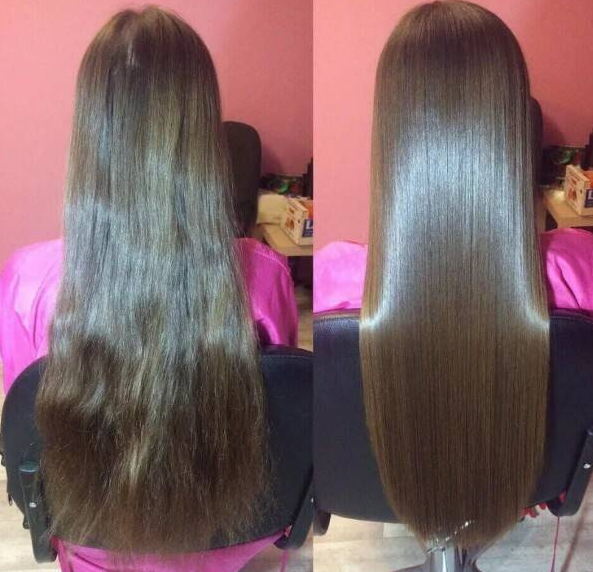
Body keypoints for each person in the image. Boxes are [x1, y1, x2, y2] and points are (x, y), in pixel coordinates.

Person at [0, 7, 298, 571]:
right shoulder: (264, 277)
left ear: (91, 130)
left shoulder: (25, 284)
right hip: (228, 538)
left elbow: (28, 446)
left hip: (94, 543)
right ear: (203, 130)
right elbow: (280, 422)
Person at [315, 0, 593, 549]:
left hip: (383, 491)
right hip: (523, 483)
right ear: (513, 126)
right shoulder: (576, 268)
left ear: (391, 131)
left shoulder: (331, 281)